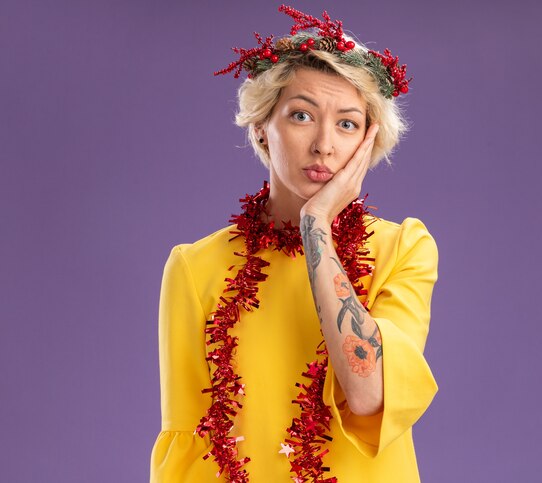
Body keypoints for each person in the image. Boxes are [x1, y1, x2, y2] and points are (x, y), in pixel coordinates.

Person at [150, 5, 439, 482]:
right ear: (263, 127)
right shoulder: (194, 267)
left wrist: (317, 223)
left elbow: (370, 394)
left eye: (347, 123)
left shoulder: (403, 248)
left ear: (369, 141)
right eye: (302, 115)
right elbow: (189, 442)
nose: (325, 144)